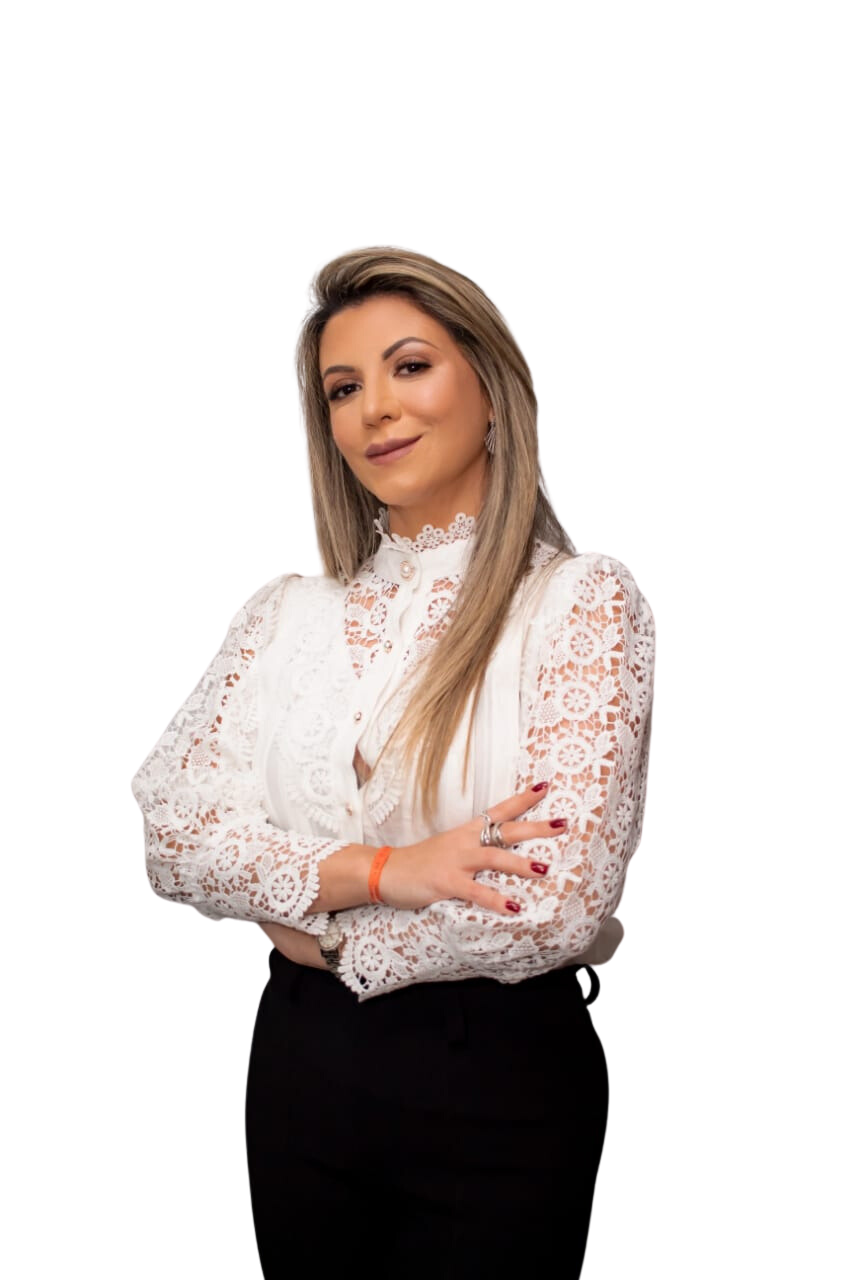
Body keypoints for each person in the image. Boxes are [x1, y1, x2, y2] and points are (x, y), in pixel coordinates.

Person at [130, 243, 656, 1276]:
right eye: (343, 387)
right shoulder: (284, 612)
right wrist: (388, 871)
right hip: (298, 1071)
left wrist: (329, 941)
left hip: (497, 1081)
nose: (375, 408)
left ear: (491, 389)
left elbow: (555, 903)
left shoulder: (579, 602)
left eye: (409, 366)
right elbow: (174, 840)